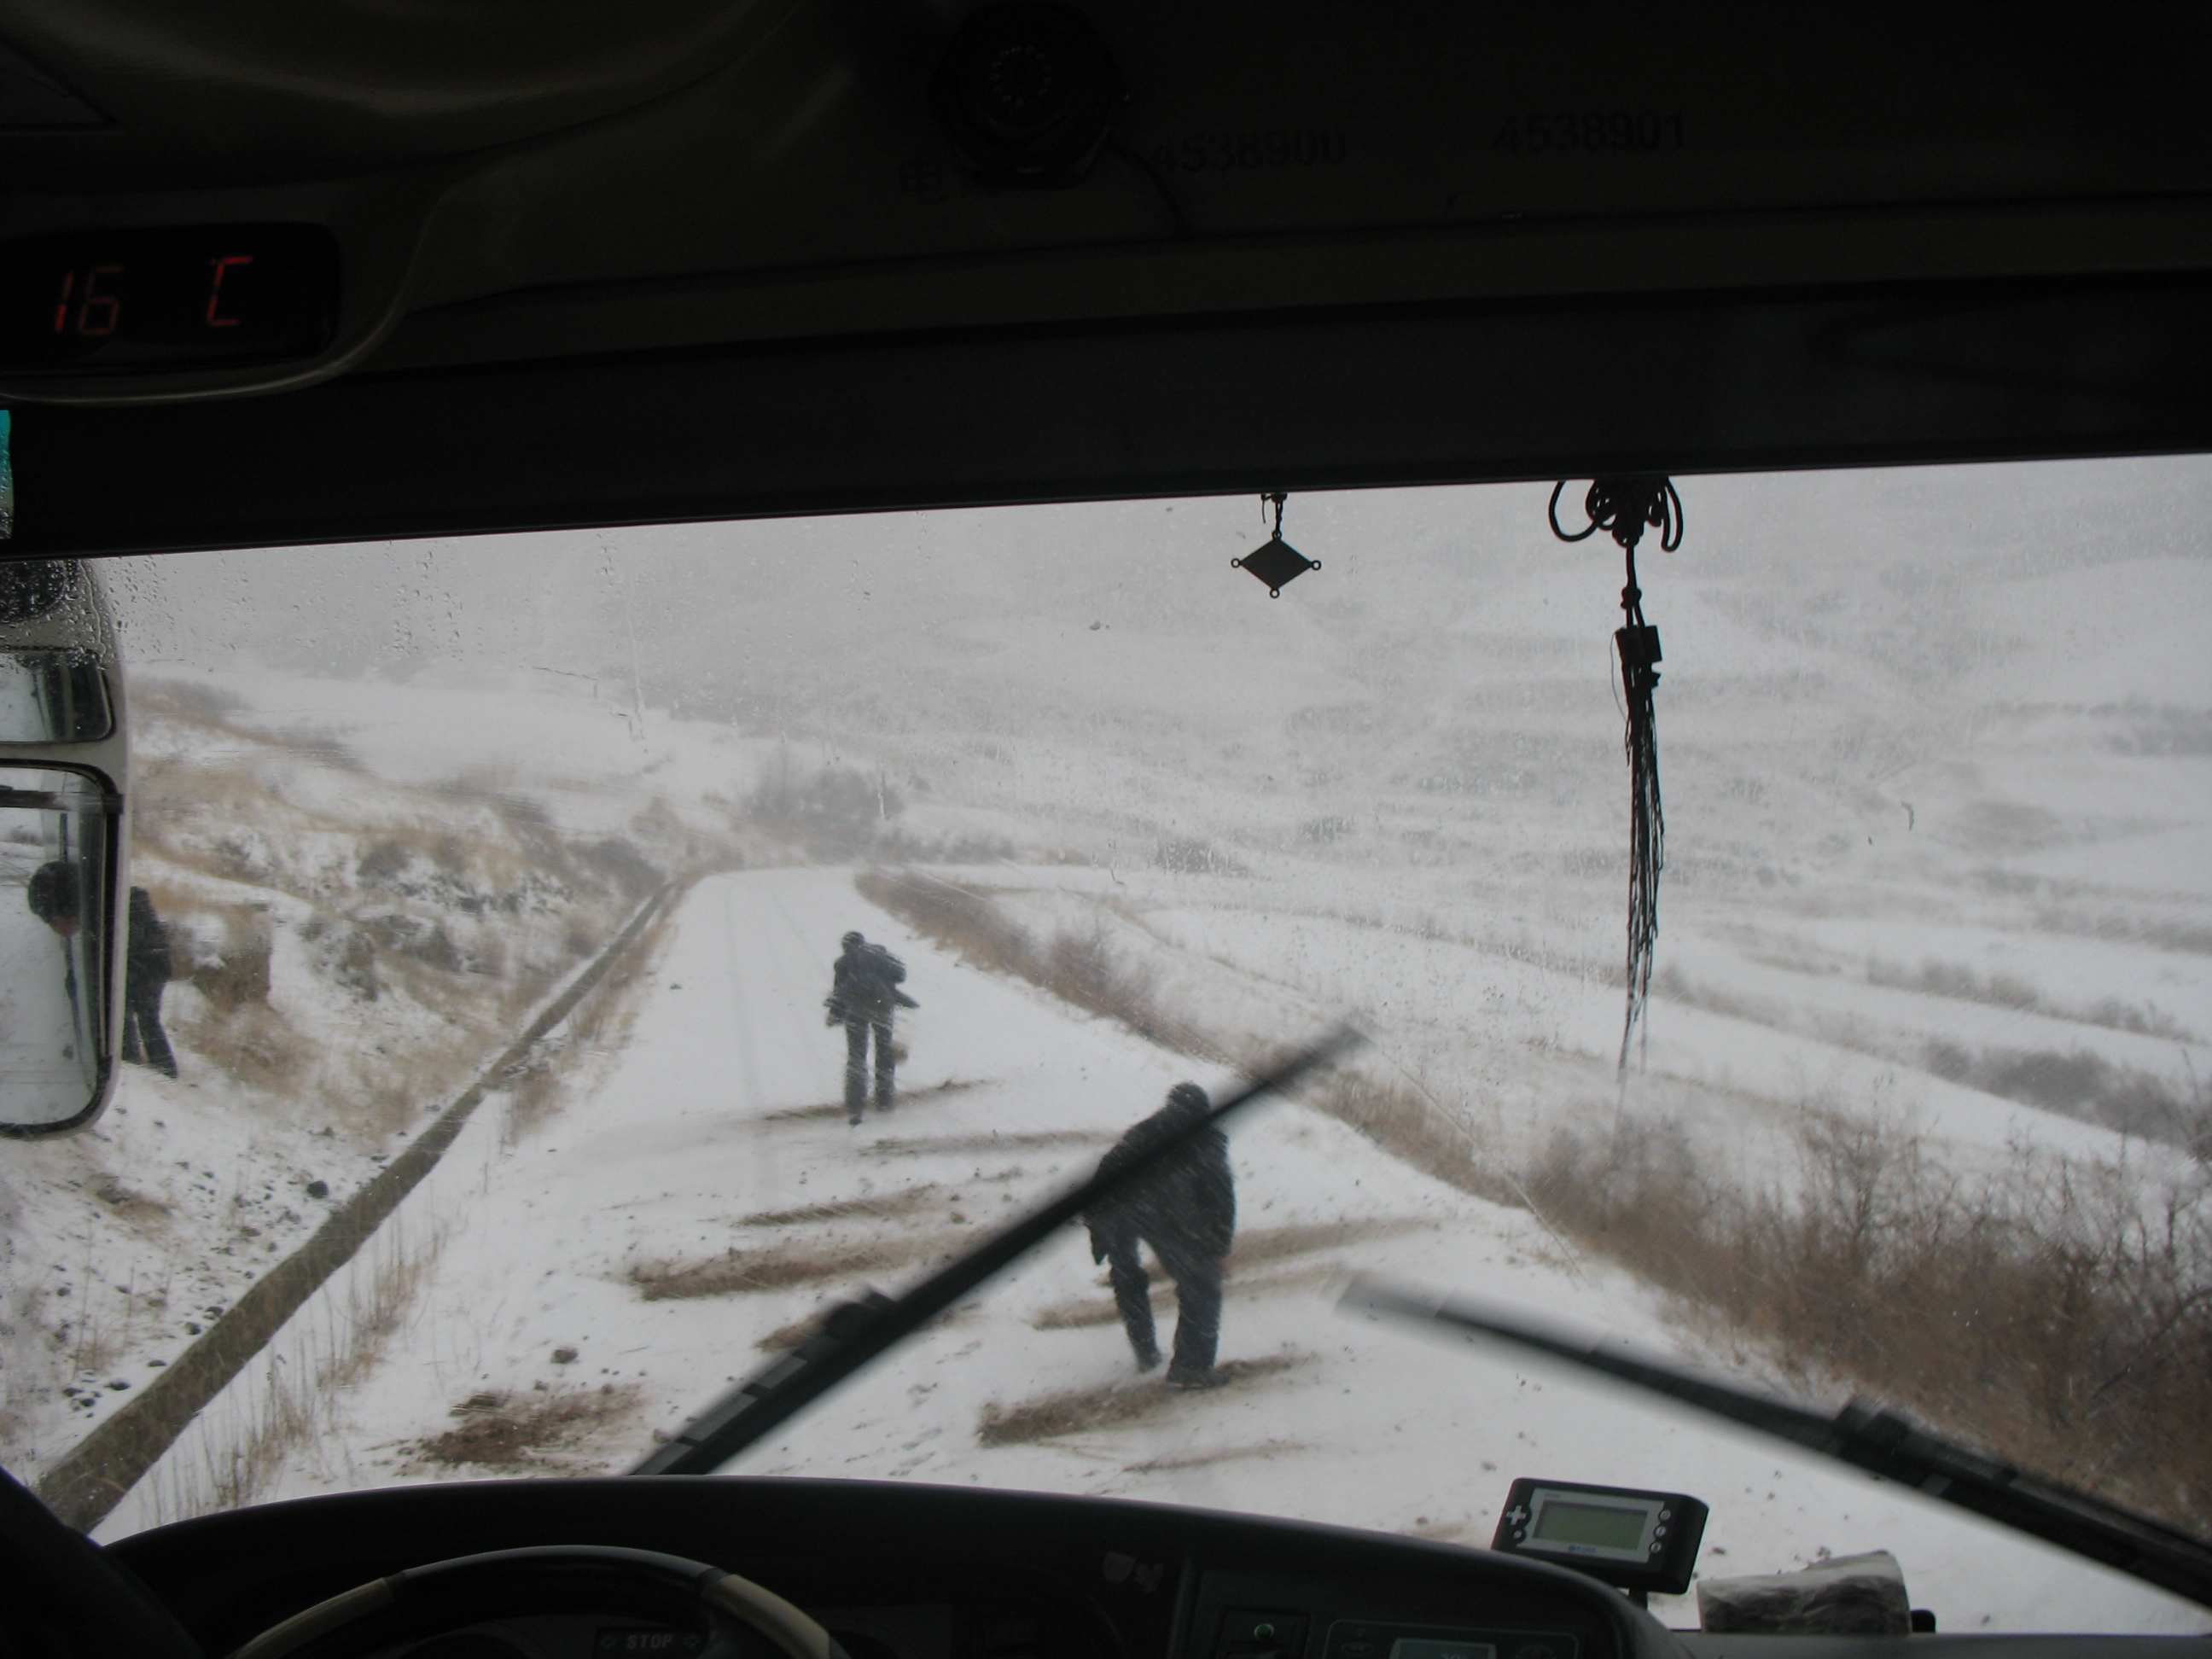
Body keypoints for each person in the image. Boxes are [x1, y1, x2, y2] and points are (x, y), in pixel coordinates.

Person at [1084, 1081, 1237, 1390]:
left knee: (1128, 1278)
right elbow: (1221, 1198)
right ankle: (1192, 1368)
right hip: (1165, 1215)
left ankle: (1145, 1351)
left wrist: (1100, 1232)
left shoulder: (1143, 1131)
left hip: (1120, 1211)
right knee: (1201, 1286)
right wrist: (1217, 1249)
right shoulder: (1206, 1139)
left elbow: (1104, 1175)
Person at [824, 929, 914, 1126]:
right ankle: (885, 1100)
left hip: (856, 1011)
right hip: (883, 1009)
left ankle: (855, 1107)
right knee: (884, 1053)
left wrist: (835, 1014)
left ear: (846, 946)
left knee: (856, 1057)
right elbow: (900, 976)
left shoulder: (843, 963)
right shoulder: (881, 956)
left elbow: (839, 991)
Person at [121, 887, 179, 1079]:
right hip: (152, 968)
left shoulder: (128, 910)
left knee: (134, 1016)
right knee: (147, 1019)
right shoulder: (137, 907)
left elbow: (132, 941)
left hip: (145, 970)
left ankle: (133, 1059)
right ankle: (164, 1068)